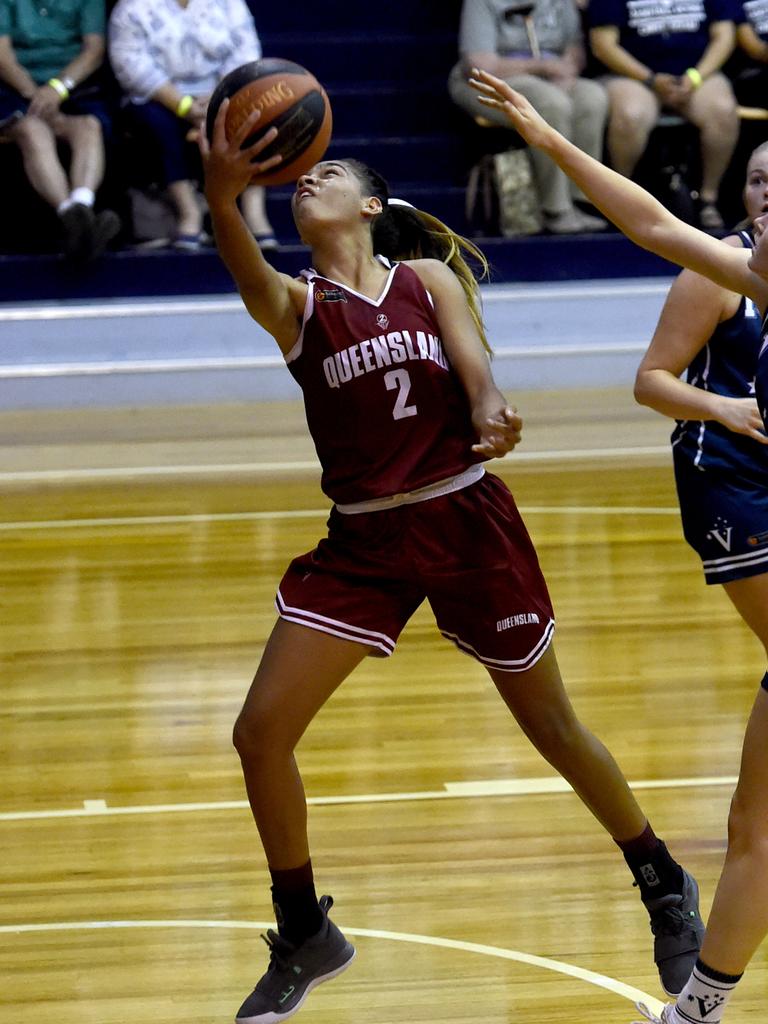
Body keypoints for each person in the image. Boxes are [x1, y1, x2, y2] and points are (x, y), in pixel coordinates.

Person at [199, 98, 705, 1024]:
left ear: (369, 206)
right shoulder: (297, 305)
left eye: (330, 173)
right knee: (257, 733)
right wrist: (223, 198)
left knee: (551, 725)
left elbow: (475, 362)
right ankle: (305, 928)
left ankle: (661, 878)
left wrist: (489, 406)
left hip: (464, 520)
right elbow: (241, 262)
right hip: (364, 544)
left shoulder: (424, 276)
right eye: (303, 175)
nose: (311, 177)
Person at [468, 66, 768, 1024]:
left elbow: (656, 228)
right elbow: (652, 225)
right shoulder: (752, 273)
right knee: (752, 827)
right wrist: (552, 141)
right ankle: (698, 1012)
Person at [108, 0, 275, 250]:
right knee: (159, 123)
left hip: (221, 92)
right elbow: (131, 65)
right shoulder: (131, 8)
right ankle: (189, 213)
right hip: (160, 96)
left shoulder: (230, 4)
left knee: (256, 111)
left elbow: (247, 53)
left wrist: (220, 97)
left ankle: (254, 214)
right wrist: (184, 106)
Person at [448, 0, 609, 234]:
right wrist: (541, 67)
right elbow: (479, 65)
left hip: (553, 77)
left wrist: (565, 72)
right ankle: (556, 208)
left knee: (592, 97)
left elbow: (575, 52)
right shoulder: (482, 2)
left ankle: (582, 198)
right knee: (551, 103)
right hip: (493, 80)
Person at [587, 0, 740, 229]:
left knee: (723, 111)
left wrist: (695, 77)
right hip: (633, 76)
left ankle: (708, 199)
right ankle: (619, 198)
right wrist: (650, 79)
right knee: (631, 115)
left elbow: (725, 35)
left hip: (696, 75)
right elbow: (603, 45)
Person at [0, 0, 120, 260]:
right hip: (17, 87)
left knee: (89, 126)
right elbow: (3, 55)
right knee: (33, 130)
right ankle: (77, 220)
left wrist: (57, 89)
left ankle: (79, 210)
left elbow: (93, 50)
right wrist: (36, 96)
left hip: (70, 88)